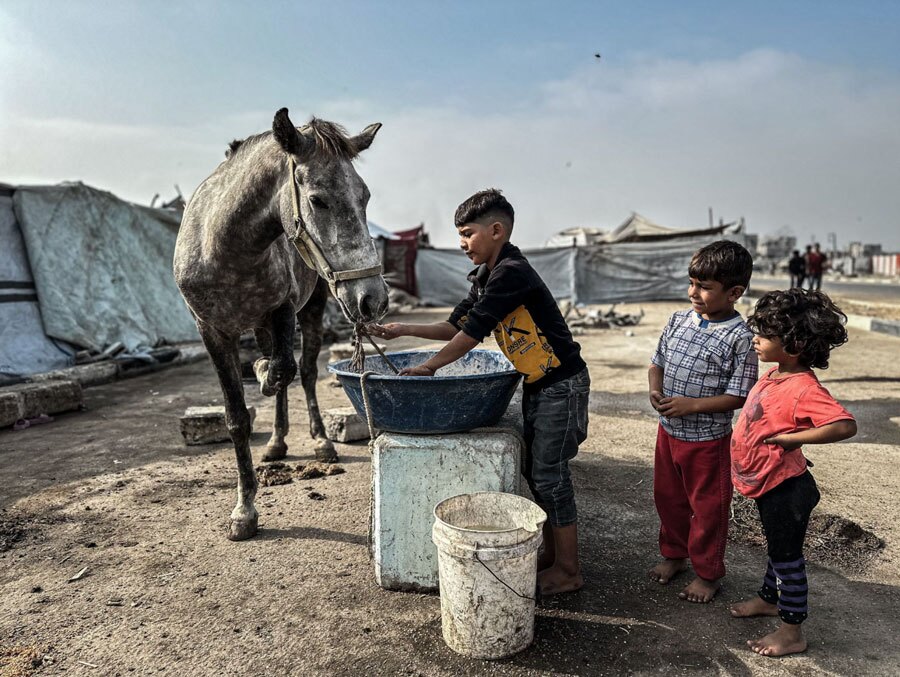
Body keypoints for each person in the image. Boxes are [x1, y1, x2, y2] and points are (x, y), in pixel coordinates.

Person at [368, 188, 590, 595]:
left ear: (497, 230)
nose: (462, 243)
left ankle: (569, 570)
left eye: (468, 233)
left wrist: (432, 366)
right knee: (536, 474)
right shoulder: (488, 275)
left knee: (550, 476)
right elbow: (455, 325)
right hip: (542, 384)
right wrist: (402, 329)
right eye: (460, 235)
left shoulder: (512, 273)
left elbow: (472, 334)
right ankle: (553, 557)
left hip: (563, 384)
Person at [729, 289, 857, 657]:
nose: (756, 338)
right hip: (771, 483)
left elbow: (844, 425)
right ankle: (770, 599)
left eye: (766, 334)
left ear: (795, 344)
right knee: (777, 547)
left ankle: (791, 630)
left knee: (788, 558)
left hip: (787, 490)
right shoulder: (776, 373)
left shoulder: (803, 387)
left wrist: (792, 439)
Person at [647, 240, 758, 603]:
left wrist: (691, 406)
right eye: (692, 283)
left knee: (708, 508)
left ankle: (707, 574)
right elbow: (657, 361)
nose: (694, 293)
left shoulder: (740, 339)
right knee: (668, 498)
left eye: (706, 287)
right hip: (669, 433)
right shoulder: (679, 320)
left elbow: (739, 395)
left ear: (734, 292)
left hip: (707, 441)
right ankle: (674, 555)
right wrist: (655, 389)